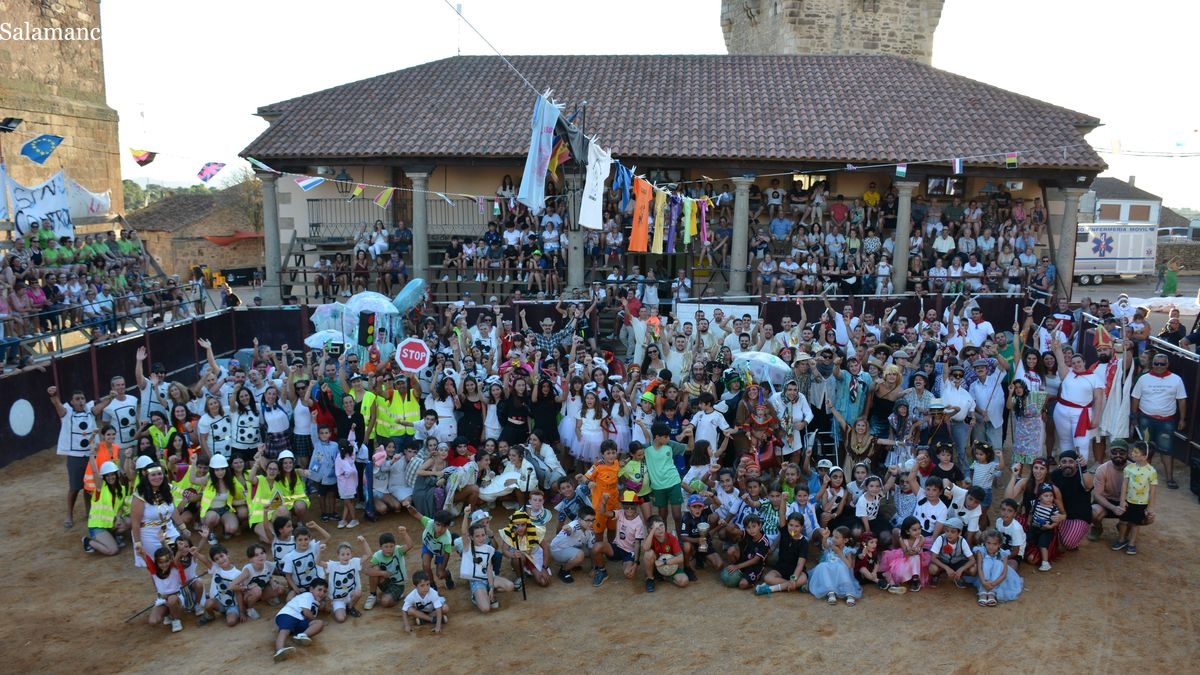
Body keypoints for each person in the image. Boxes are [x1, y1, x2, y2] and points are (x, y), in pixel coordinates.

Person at [1130, 354, 1187, 490]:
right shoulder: (1143, 379)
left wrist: (1182, 419)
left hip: (1166, 421)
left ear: (1167, 365)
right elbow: (1135, 398)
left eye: (1162, 364)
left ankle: (1169, 478)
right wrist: (1133, 416)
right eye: (1156, 363)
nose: (1159, 366)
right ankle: (1143, 476)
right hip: (1146, 419)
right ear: (1152, 364)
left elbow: (1182, 400)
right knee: (1145, 449)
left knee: (1167, 451)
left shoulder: (1176, 379)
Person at [49, 385, 100, 529]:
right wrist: (53, 396)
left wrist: (110, 397)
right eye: (77, 399)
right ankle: (69, 515)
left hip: (91, 454)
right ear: (72, 402)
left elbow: (99, 407)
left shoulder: (90, 411)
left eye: (82, 399)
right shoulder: (67, 413)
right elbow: (57, 405)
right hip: (75, 456)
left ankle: (89, 512)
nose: (81, 401)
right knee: (74, 487)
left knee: (89, 486)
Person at [591, 490, 645, 587]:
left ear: (636, 506)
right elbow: (603, 512)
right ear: (622, 506)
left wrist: (636, 563)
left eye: (632, 506)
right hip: (616, 547)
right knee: (596, 547)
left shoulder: (638, 523)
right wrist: (604, 501)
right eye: (625, 506)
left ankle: (627, 562)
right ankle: (602, 571)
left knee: (629, 574)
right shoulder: (620, 513)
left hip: (629, 552)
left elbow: (637, 544)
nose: (629, 509)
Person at [1112, 441, 1157, 556]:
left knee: (1135, 523)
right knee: (1122, 521)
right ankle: (1121, 539)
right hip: (1128, 501)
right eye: (1133, 451)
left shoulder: (1151, 471)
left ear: (1145, 456)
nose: (1132, 453)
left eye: (1136, 452)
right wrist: (1122, 501)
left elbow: (1152, 490)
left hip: (1141, 503)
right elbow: (1124, 485)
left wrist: (1150, 506)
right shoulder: (1129, 468)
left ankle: (1132, 543)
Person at [272, 577, 327, 662]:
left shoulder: (315, 603)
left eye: (324, 591)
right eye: (319, 590)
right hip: (289, 614)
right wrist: (314, 618)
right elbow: (306, 612)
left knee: (319, 623)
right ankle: (279, 649)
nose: (322, 593)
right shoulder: (308, 595)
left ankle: (302, 635)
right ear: (311, 589)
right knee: (285, 629)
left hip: (299, 621)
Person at [360, 527, 413, 611]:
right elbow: (367, 570)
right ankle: (372, 595)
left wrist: (404, 534)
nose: (389, 549)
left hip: (398, 585)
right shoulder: (377, 555)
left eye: (391, 546)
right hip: (385, 581)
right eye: (386, 546)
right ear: (381, 547)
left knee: (385, 602)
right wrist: (382, 573)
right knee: (375, 568)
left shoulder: (398, 551)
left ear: (395, 545)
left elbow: (409, 545)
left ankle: (397, 596)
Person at [807, 525, 862, 606]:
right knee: (822, 566)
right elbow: (825, 545)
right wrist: (825, 537)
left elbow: (849, 565)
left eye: (836, 537)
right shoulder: (831, 544)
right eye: (833, 536)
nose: (833, 539)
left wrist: (839, 552)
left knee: (841, 567)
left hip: (841, 572)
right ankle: (830, 591)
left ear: (845, 540)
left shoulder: (848, 550)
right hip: (830, 568)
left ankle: (849, 593)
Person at [971, 529, 1023, 606]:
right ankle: (983, 590)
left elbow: (1004, 573)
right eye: (988, 543)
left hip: (997, 579)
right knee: (986, 562)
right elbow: (980, 568)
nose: (991, 546)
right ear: (985, 542)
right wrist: (984, 582)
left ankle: (992, 592)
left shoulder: (1003, 554)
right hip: (984, 578)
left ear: (999, 544)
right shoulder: (981, 551)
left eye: (994, 544)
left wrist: (994, 584)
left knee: (999, 564)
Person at [641, 515, 689, 592]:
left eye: (661, 525)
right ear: (650, 530)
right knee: (648, 553)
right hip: (656, 566)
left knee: (684, 581)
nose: (660, 529)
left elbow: (681, 558)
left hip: (669, 566)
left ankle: (663, 576)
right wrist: (652, 532)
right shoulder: (651, 538)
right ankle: (650, 578)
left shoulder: (672, 538)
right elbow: (646, 548)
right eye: (656, 528)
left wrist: (664, 562)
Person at [324, 542, 364, 622]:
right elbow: (317, 562)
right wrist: (320, 552)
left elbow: (368, 554)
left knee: (358, 592)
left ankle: (350, 607)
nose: (346, 557)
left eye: (348, 554)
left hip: (350, 595)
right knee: (341, 619)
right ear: (338, 555)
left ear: (351, 554)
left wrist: (363, 542)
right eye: (342, 554)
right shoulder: (332, 566)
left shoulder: (354, 562)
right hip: (338, 599)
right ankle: (340, 607)